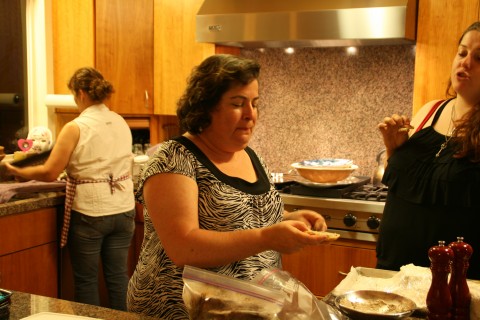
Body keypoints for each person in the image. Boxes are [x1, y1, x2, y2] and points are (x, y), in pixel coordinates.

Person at [127, 54, 330, 319]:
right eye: (238, 104)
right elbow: (183, 247)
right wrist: (269, 237)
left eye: (255, 104)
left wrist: (290, 219)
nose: (250, 114)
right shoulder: (174, 159)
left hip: (248, 309)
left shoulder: (251, 156)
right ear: (206, 106)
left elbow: (244, 217)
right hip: (183, 310)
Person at [5, 67, 135, 310]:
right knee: (118, 278)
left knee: (86, 281)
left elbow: (49, 172)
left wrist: (14, 170)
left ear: (82, 93)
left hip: (91, 213)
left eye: (75, 96)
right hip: (123, 208)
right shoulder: (120, 121)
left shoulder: (76, 127)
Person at [376, 21, 480, 280]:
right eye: (462, 52)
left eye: (479, 57)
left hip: (448, 286)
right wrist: (393, 148)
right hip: (392, 271)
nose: (465, 62)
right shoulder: (430, 112)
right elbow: (402, 186)